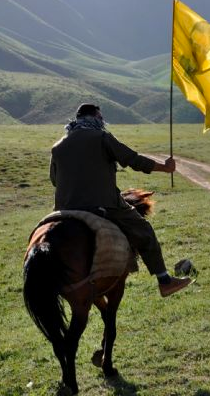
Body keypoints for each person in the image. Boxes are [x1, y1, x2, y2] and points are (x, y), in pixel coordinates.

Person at [50, 103, 192, 297]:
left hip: (63, 208)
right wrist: (165, 168)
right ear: (94, 118)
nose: (102, 121)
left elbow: (54, 180)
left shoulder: (58, 146)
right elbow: (133, 160)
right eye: (100, 118)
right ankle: (164, 280)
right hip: (104, 204)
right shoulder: (102, 138)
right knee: (144, 230)